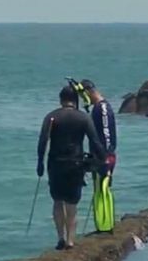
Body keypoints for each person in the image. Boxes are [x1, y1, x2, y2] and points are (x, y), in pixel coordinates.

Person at [36, 85, 106, 250]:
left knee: (57, 201)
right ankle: (70, 241)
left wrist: (39, 162)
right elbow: (95, 141)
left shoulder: (51, 117)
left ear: (61, 100)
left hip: (55, 164)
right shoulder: (83, 118)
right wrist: (102, 159)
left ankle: (60, 238)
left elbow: (43, 142)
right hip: (75, 164)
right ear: (75, 101)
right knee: (72, 204)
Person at [82, 79, 118, 233]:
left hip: (105, 156)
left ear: (89, 92)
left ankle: (107, 224)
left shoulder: (102, 108)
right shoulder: (96, 108)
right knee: (98, 189)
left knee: (103, 188)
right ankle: (101, 225)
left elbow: (106, 134)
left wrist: (106, 157)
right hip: (99, 155)